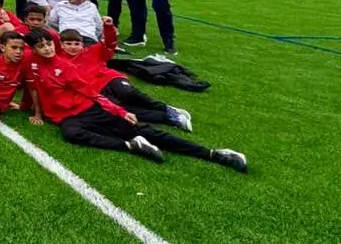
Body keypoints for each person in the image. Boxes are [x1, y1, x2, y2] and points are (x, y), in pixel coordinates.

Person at [22, 29, 246, 172]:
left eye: (49, 44)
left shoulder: (66, 67)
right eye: (41, 46)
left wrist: (120, 112)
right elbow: (33, 87)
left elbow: (92, 93)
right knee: (71, 134)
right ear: (33, 50)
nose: (47, 48)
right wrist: (33, 112)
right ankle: (131, 145)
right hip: (68, 118)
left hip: (89, 108)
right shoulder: (31, 63)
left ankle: (215, 154)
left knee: (146, 131)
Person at [59, 22, 191, 131]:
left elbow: (110, 44)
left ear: (82, 44)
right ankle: (168, 118)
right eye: (68, 44)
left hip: (109, 79)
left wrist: (109, 27)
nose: (73, 47)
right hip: (96, 91)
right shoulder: (59, 61)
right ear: (61, 45)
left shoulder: (93, 51)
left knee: (128, 94)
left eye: (77, 44)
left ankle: (165, 108)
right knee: (121, 109)